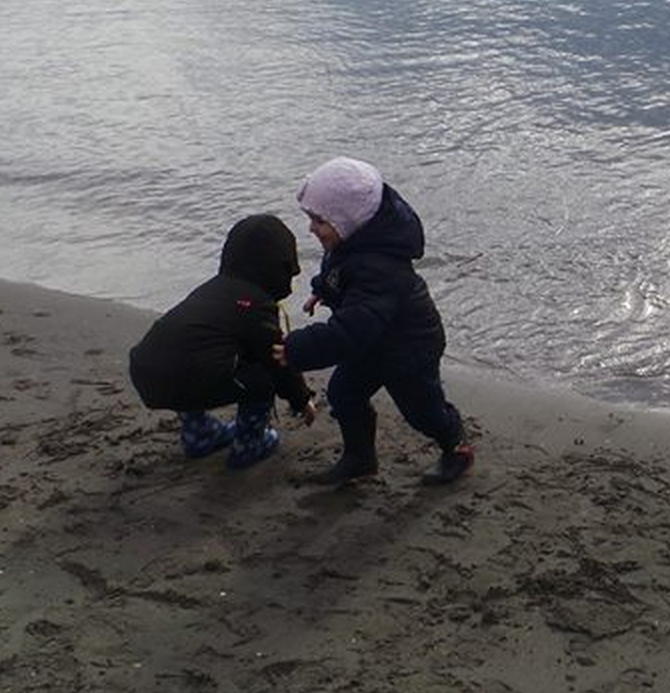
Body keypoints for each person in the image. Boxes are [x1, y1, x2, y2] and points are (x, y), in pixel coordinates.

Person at [283, 157, 474, 488]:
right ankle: (360, 459)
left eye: (319, 220)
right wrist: (321, 291)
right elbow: (337, 273)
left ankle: (455, 444)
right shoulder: (350, 241)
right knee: (344, 394)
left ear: (347, 221)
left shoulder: (381, 266)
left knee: (423, 411)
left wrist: (297, 348)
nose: (312, 228)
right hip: (372, 343)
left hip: (409, 347)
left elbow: (353, 328)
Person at [127, 213, 315, 470]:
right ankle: (249, 444)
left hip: (145, 369)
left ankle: (199, 433)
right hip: (184, 376)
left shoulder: (213, 288)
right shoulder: (256, 304)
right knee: (262, 377)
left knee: (195, 359)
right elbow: (277, 359)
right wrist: (301, 399)